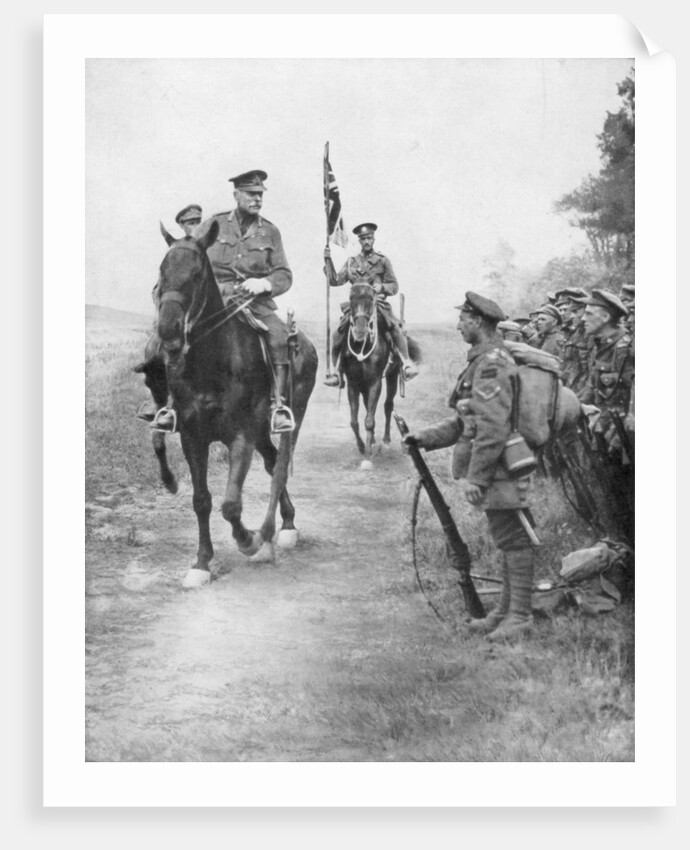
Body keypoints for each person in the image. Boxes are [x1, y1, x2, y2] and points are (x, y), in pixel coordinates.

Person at [403, 291, 537, 641]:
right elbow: (468, 420)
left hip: (502, 466)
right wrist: (427, 437)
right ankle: (505, 613)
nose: (458, 324)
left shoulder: (492, 363)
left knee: (515, 540)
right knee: (508, 539)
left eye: (463, 319)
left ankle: (519, 616)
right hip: (496, 466)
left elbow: (492, 427)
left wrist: (475, 477)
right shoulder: (482, 360)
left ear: (478, 321)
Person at [152, 169, 296, 434]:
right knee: (170, 339)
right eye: (251, 194)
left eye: (260, 194)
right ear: (236, 195)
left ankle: (278, 407)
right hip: (213, 302)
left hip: (254, 303)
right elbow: (191, 258)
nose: (257, 199)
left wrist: (265, 284)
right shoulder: (212, 224)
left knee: (279, 337)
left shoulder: (271, 232)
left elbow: (284, 274)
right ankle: (172, 406)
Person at [322, 222, 419, 387]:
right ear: (359, 241)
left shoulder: (383, 261)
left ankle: (406, 363)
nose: (366, 242)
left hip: (377, 304)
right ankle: (335, 372)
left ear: (373, 239)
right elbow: (335, 280)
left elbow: (394, 286)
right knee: (337, 334)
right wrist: (328, 261)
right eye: (363, 239)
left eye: (369, 238)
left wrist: (382, 287)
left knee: (394, 326)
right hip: (356, 307)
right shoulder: (352, 261)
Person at [578, 289, 634, 541]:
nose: (582, 318)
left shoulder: (626, 349)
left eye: (589, 313)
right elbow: (592, 389)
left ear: (605, 316)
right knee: (613, 498)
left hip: (624, 440)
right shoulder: (599, 346)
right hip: (603, 432)